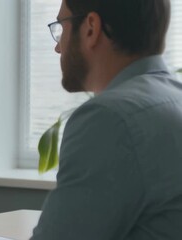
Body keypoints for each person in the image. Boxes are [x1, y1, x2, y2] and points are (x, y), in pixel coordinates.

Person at [31, 0, 182, 239]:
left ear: (91, 28)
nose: (58, 48)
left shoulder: (111, 118)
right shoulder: (174, 99)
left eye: (61, 26)